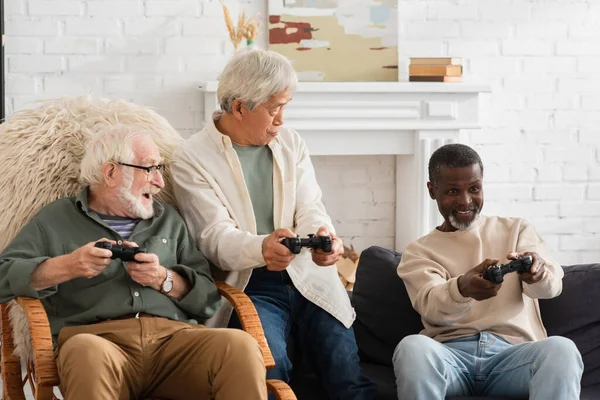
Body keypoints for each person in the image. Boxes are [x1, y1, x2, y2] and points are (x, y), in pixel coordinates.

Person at [0, 125, 268, 400]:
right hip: (98, 342)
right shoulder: (55, 219)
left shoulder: (168, 219)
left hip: (175, 343)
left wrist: (163, 279)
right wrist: (68, 266)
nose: (160, 182)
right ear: (111, 172)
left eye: (159, 169)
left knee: (240, 345)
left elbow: (208, 299)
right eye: (149, 169)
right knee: (87, 352)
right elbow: (2, 278)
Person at [171, 49, 377, 400]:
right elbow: (213, 237)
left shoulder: (291, 142)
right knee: (271, 368)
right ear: (239, 108)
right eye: (274, 108)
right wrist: (261, 247)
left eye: (286, 106)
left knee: (346, 373)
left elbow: (310, 205)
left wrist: (323, 235)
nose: (281, 119)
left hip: (309, 275)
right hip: (252, 282)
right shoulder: (191, 158)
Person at [392, 143, 583, 400]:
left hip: (514, 357)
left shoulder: (516, 230)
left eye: (474, 189)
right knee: (411, 347)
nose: (465, 201)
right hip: (450, 358)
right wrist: (461, 289)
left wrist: (537, 274)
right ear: (431, 190)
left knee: (562, 349)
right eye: (452, 191)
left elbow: (551, 288)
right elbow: (430, 306)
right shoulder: (418, 251)